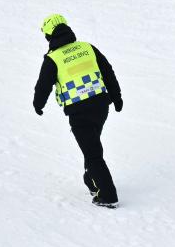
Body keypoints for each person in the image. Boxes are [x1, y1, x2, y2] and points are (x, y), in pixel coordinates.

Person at [33, 14, 122, 208]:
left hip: (79, 112)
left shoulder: (53, 58)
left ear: (49, 36)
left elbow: (43, 86)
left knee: (92, 154)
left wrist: (38, 104)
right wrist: (116, 97)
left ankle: (108, 195)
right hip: (101, 107)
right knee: (92, 146)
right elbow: (108, 71)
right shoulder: (87, 48)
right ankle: (91, 180)